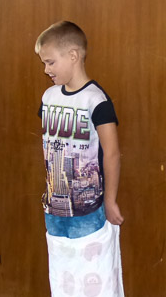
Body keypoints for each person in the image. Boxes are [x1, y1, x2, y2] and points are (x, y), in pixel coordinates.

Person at [35, 21, 124, 296]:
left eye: (50, 62)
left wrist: (110, 201)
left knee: (91, 278)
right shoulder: (49, 97)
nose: (46, 69)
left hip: (88, 209)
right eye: (44, 63)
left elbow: (112, 153)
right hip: (55, 208)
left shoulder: (96, 100)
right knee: (63, 279)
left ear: (73, 55)